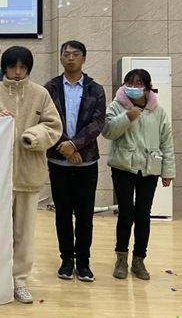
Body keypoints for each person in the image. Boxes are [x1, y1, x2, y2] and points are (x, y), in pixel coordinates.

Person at [0, 46, 62, 304]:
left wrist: (33, 136)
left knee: (24, 233)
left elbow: (53, 126)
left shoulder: (40, 94)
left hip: (28, 175)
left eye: (23, 67)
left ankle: (19, 281)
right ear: (5, 68)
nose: (18, 72)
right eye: (13, 67)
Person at [102, 69, 175, 281]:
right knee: (126, 214)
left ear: (148, 87)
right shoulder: (116, 106)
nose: (134, 87)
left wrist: (168, 171)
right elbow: (108, 132)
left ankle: (139, 260)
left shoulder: (158, 111)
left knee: (143, 215)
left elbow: (166, 141)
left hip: (150, 168)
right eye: (130, 83)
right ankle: (121, 259)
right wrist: (127, 117)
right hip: (123, 167)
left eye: (139, 83)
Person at [44, 41, 106, 282]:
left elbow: (98, 122)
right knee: (62, 214)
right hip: (58, 161)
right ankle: (67, 260)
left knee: (84, 215)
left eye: (75, 54)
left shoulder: (95, 89)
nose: (70, 58)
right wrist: (66, 146)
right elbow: (46, 120)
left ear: (84, 59)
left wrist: (75, 145)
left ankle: (84, 262)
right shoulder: (50, 88)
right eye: (66, 54)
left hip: (86, 161)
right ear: (61, 58)